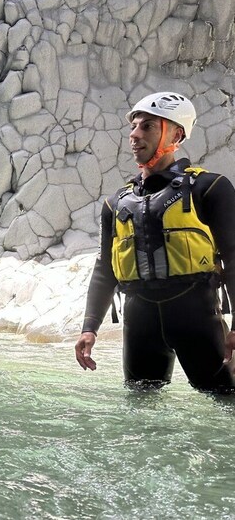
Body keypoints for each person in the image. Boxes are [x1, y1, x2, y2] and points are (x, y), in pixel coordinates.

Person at [74, 91, 235, 392]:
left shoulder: (209, 188)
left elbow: (234, 256)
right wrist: (89, 328)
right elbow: (105, 269)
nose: (134, 135)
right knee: (141, 416)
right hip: (139, 322)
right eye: (133, 127)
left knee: (225, 403)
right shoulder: (116, 203)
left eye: (147, 126)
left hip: (196, 317)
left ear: (176, 134)